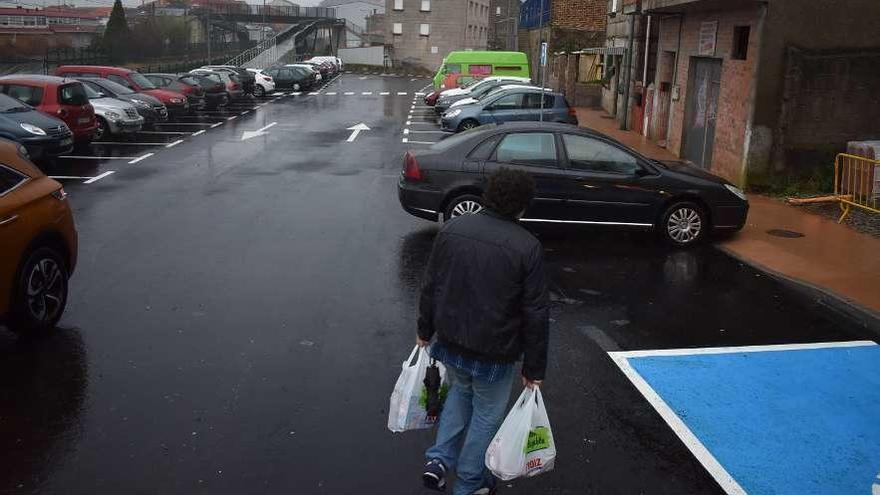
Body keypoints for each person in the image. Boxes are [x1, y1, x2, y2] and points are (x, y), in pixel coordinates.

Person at [417, 168, 550, 495]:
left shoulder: (453, 228)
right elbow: (535, 312)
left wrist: (425, 329)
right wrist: (534, 368)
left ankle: (438, 460)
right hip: (495, 350)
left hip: (450, 339)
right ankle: (470, 482)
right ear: (522, 205)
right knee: (486, 414)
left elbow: (431, 285)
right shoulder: (527, 246)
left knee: (460, 394)